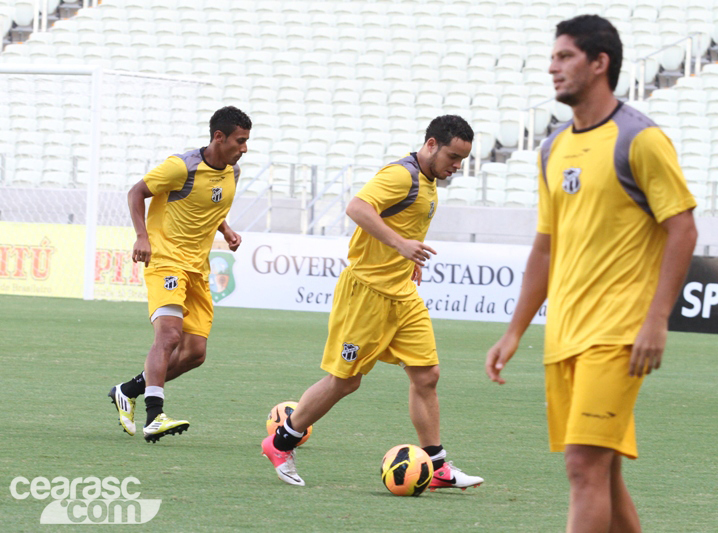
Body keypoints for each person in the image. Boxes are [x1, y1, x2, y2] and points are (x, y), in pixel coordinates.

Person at [485, 15, 697, 533]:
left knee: (582, 466)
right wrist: (515, 330)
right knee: (604, 473)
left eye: (565, 56)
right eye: (553, 57)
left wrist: (656, 320)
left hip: (619, 334)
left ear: (599, 63)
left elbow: (683, 229)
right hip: (566, 334)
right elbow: (545, 248)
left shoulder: (640, 139)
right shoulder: (552, 148)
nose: (552, 67)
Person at [262, 115, 484, 489]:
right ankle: (280, 442)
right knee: (345, 382)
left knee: (426, 375)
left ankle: (436, 466)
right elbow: (357, 207)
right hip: (366, 295)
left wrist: (406, 259)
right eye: (453, 156)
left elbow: (403, 225)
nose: (457, 166)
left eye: (463, 159)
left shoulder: (429, 180)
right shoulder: (401, 175)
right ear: (431, 144)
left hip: (403, 295)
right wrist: (400, 245)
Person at [108, 106, 251, 443]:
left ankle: (127, 390)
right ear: (219, 137)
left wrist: (226, 230)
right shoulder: (180, 167)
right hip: (165, 261)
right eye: (240, 141)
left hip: (197, 269)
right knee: (169, 336)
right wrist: (142, 237)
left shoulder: (233, 171)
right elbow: (136, 193)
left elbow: (208, 207)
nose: (244, 148)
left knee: (195, 353)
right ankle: (154, 415)